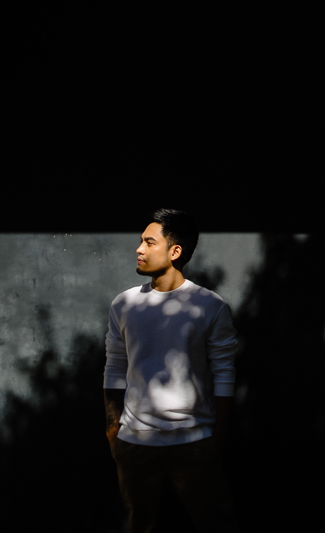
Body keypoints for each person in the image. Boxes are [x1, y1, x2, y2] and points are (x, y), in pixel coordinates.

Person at [103, 208, 239, 532]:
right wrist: (113, 431)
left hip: (193, 443)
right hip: (135, 444)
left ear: (175, 251)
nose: (139, 249)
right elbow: (115, 367)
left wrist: (216, 438)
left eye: (149, 242)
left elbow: (224, 372)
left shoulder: (210, 306)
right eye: (140, 241)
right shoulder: (124, 305)